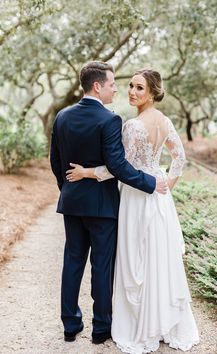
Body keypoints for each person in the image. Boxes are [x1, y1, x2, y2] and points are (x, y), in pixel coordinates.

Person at [66, 69, 200, 353]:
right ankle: (162, 323)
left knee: (135, 260)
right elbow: (179, 158)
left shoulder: (132, 125)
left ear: (152, 92)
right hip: (159, 197)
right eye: (129, 86)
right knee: (156, 259)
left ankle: (141, 324)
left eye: (139, 88)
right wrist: (166, 184)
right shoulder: (165, 122)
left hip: (137, 198)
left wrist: (87, 172)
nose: (131, 92)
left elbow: (119, 167)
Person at [50, 62, 168, 345]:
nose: (117, 88)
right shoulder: (110, 119)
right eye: (113, 84)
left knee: (73, 262)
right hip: (103, 207)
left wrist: (67, 189)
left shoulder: (62, 116)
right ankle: (101, 328)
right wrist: (151, 183)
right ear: (97, 86)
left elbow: (55, 162)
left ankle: (70, 326)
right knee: (102, 266)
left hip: (72, 202)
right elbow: (117, 165)